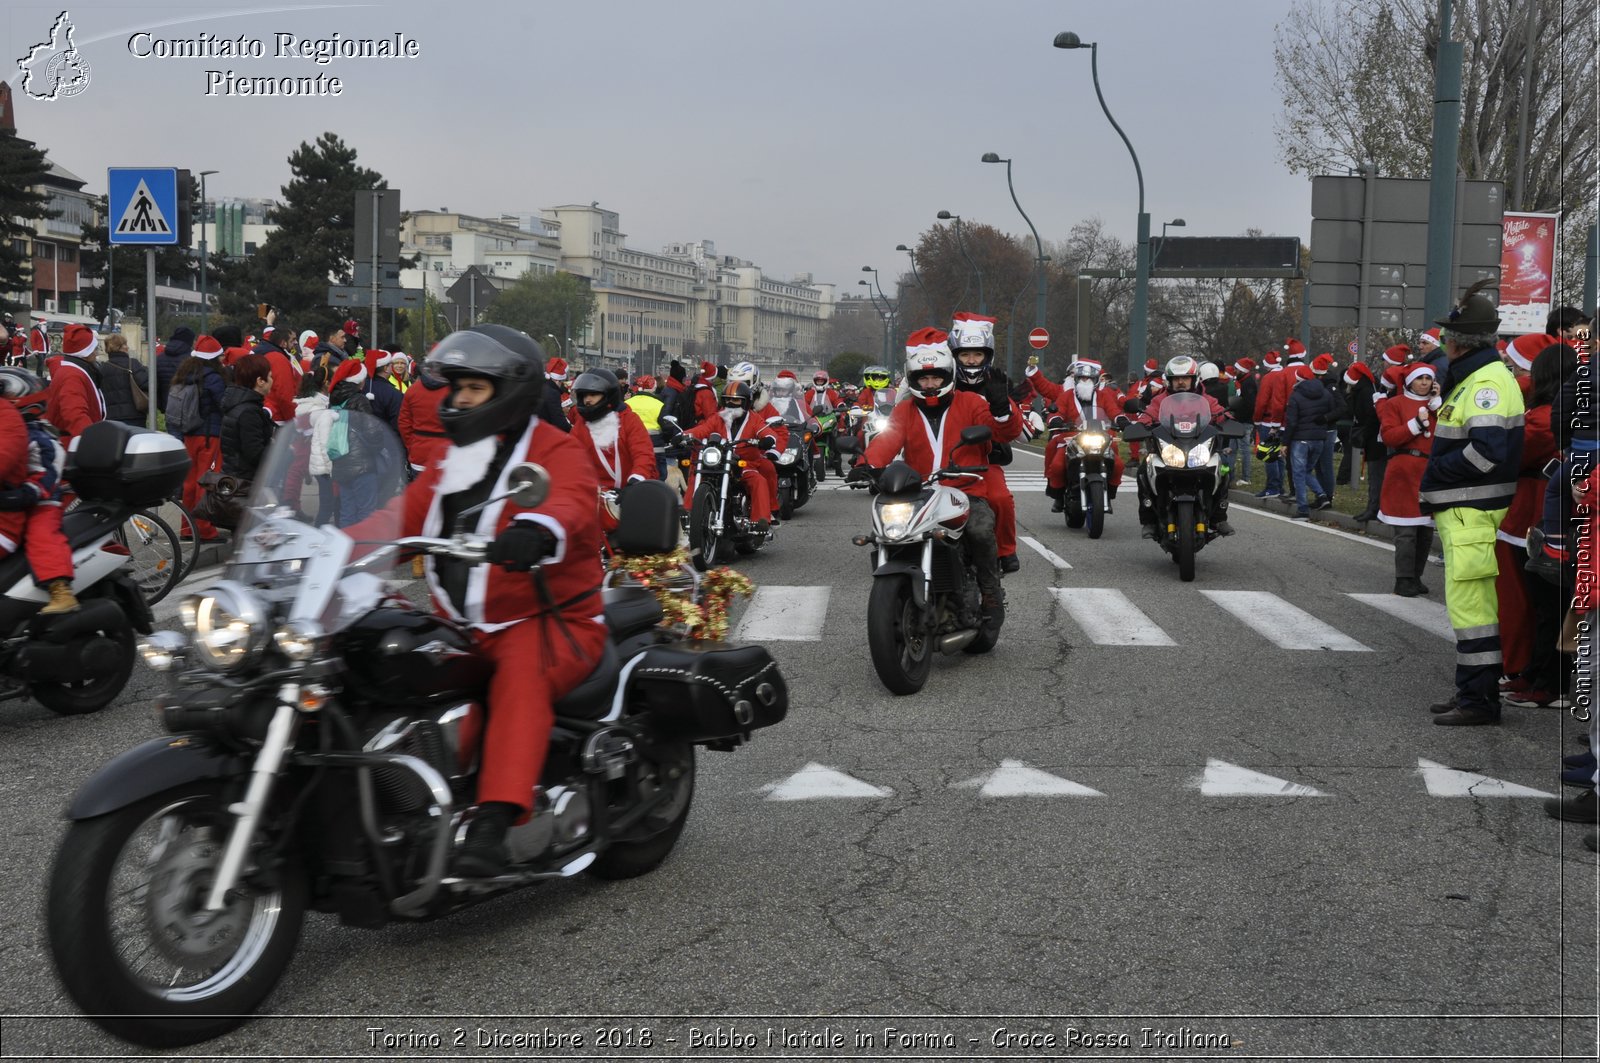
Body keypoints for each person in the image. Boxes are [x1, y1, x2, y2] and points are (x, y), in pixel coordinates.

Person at [352, 324, 606, 877]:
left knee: (520, 676)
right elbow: (399, 521)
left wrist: (536, 529)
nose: (458, 398)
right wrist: (326, 548)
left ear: (511, 391)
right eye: (457, 387)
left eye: (474, 388)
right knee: (375, 653)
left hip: (550, 622)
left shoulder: (556, 450)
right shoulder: (452, 461)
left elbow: (571, 504)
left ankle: (494, 823)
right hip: (465, 627)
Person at [848, 328, 1006, 632]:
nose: (930, 383)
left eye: (935, 377)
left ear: (947, 376)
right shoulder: (905, 409)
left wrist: (1000, 412)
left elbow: (1000, 433)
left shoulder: (971, 403)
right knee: (889, 533)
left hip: (965, 488)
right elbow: (888, 439)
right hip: (918, 491)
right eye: (923, 378)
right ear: (915, 380)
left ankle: (990, 593)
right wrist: (867, 463)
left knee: (981, 529)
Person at [1419, 282, 1526, 726]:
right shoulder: (1478, 378)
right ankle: (1471, 691)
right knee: (1469, 610)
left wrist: (1435, 475)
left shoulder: (1486, 384)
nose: (1444, 341)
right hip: (1466, 513)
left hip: (1471, 513)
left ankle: (1479, 701)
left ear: (1460, 342)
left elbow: (1487, 454)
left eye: (1447, 336)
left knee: (1473, 613)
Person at [1123, 355, 1233, 537]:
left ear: (1194, 379)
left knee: (1223, 470)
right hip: (1169, 449)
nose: (1181, 382)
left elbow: (1219, 413)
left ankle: (1219, 517)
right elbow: (1149, 414)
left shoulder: (1206, 399)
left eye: (1185, 378)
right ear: (1169, 381)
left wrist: (1228, 420)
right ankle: (1148, 520)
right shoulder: (1160, 400)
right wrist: (1140, 425)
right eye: (1176, 379)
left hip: (1198, 449)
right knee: (1144, 471)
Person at [0, 368, 78, 614]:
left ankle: (60, 589)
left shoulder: (41, 438)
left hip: (42, 502)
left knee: (43, 538)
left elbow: (49, 474)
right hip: (17, 501)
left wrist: (27, 493)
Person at [947, 313, 1022, 571]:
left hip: (984, 459)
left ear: (987, 356)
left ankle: (1005, 551)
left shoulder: (997, 383)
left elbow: (1012, 424)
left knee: (1000, 498)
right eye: (965, 354)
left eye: (977, 355)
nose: (970, 360)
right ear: (953, 355)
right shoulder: (938, 380)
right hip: (939, 457)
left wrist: (1003, 405)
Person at [682, 379, 786, 536]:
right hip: (720, 462)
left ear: (745, 402)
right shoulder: (718, 418)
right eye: (727, 399)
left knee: (759, 481)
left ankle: (761, 520)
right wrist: (683, 435)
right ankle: (689, 511)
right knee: (698, 471)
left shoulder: (754, 418)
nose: (731, 403)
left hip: (745, 464)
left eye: (736, 400)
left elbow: (767, 431)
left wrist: (768, 439)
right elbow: (702, 429)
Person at [1025, 355, 1125, 514]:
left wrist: (1121, 420)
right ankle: (1058, 495)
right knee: (1057, 465)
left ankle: (1109, 493)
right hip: (1070, 435)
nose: (1085, 381)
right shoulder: (1066, 394)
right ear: (1075, 378)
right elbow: (1057, 410)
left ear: (1096, 379)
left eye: (1089, 378)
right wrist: (1055, 419)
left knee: (1118, 464)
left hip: (1100, 435)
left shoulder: (1104, 395)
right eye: (1081, 378)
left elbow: (1114, 411)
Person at [569, 368, 656, 533]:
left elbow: (643, 454)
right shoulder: (581, 426)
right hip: (596, 502)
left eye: (593, 395)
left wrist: (635, 482)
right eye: (584, 395)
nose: (587, 400)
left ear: (608, 396)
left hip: (632, 495)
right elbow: (569, 458)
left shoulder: (630, 420)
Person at [1376, 364, 1438, 596]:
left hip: (1429, 472)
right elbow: (1390, 436)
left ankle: (1415, 576)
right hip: (1403, 471)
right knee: (1407, 530)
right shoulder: (1395, 404)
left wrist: (1439, 408)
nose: (1424, 382)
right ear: (1409, 381)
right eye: (1419, 378)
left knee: (1425, 530)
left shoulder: (1438, 406)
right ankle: (1402, 579)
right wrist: (1414, 425)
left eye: (1428, 379)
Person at [169, 335, 229, 541]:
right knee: (207, 483)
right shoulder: (213, 377)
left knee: (189, 483)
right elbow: (224, 405)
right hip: (208, 437)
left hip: (189, 435)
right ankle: (204, 529)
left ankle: (187, 528)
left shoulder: (186, 373)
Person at [1283, 355, 1334, 518]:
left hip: (1300, 440)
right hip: (1319, 438)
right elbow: (1331, 411)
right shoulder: (1325, 393)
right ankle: (1322, 495)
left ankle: (1303, 509)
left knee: (1299, 473)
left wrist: (1285, 442)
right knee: (1305, 471)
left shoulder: (1296, 396)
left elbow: (1291, 422)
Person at [45, 324, 106, 447]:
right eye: (94, 349)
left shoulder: (72, 372)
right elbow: (74, 414)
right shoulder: (72, 376)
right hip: (72, 446)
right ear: (85, 352)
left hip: (75, 443)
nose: (97, 353)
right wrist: (92, 442)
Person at [219, 354, 275, 483]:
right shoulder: (249, 411)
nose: (272, 380)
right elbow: (255, 453)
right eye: (270, 376)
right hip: (245, 482)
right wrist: (280, 451)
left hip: (234, 475)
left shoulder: (237, 403)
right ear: (260, 381)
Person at [399, 358, 451, 480]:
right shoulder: (453, 392)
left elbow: (403, 423)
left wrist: (412, 445)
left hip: (419, 454)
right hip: (446, 455)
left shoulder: (412, 391)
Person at [97, 332, 149, 428]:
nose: (127, 347)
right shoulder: (133, 363)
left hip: (110, 417)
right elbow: (147, 384)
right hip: (134, 415)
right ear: (120, 347)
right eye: (125, 344)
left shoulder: (102, 368)